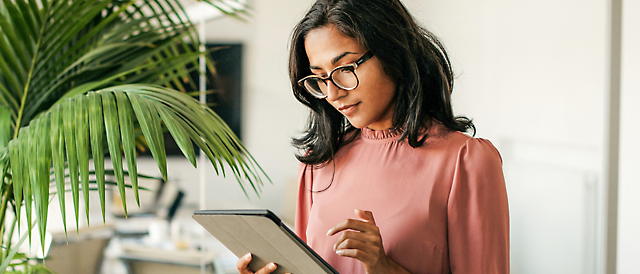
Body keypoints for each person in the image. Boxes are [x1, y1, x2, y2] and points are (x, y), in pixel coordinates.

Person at [237, 0, 509, 273]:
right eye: (320, 78)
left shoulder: (465, 161)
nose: (333, 94)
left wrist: (383, 267)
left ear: (393, 53)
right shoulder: (317, 163)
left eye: (345, 69)